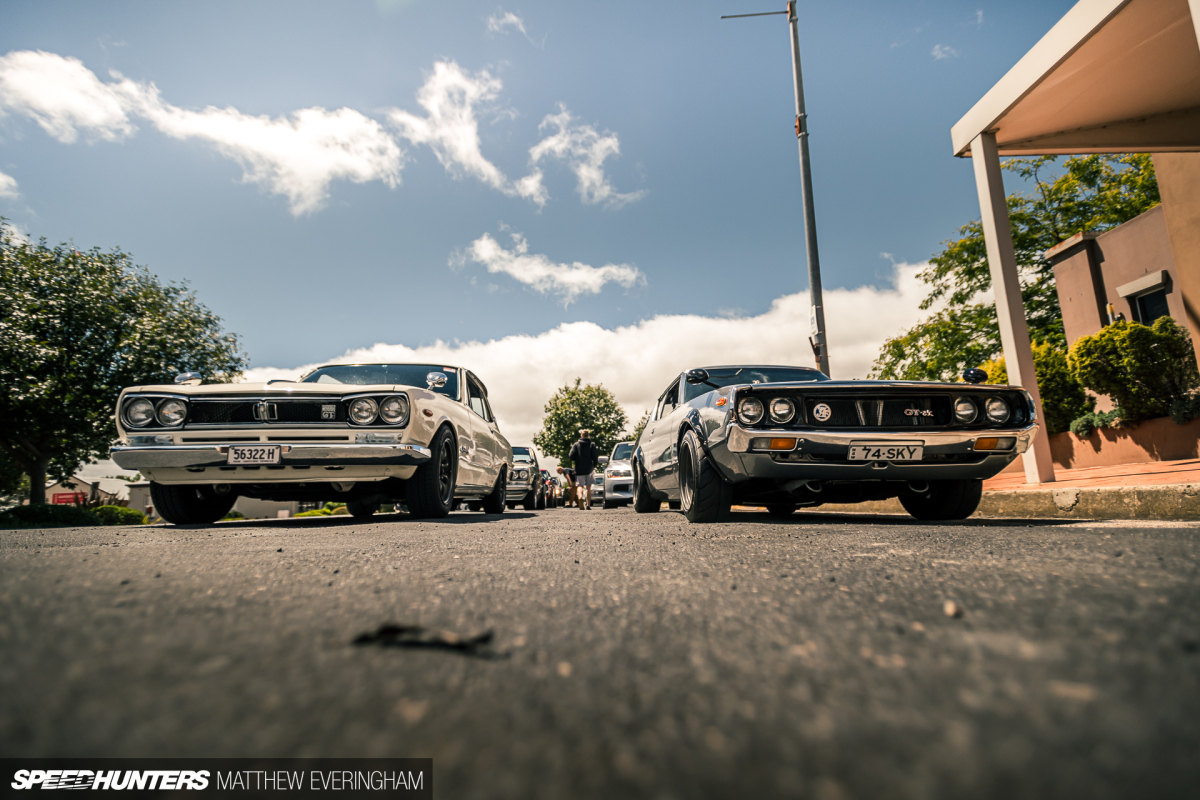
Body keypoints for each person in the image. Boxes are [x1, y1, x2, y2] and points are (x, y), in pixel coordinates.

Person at [568, 429, 599, 510]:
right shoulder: (592, 445)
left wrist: (577, 459)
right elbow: (595, 456)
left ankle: (580, 497)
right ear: (588, 436)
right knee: (589, 487)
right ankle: (588, 505)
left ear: (581, 436)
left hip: (579, 468)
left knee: (579, 485)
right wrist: (594, 465)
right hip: (589, 468)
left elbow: (571, 456)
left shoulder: (576, 445)